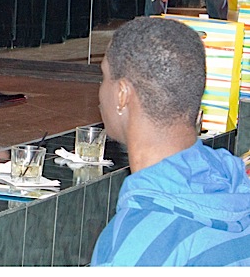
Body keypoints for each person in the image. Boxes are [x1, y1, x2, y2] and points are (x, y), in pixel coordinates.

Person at [91, 17, 250, 266]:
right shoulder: (233, 184)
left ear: (122, 95)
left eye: (104, 77)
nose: (100, 92)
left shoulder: (139, 243)